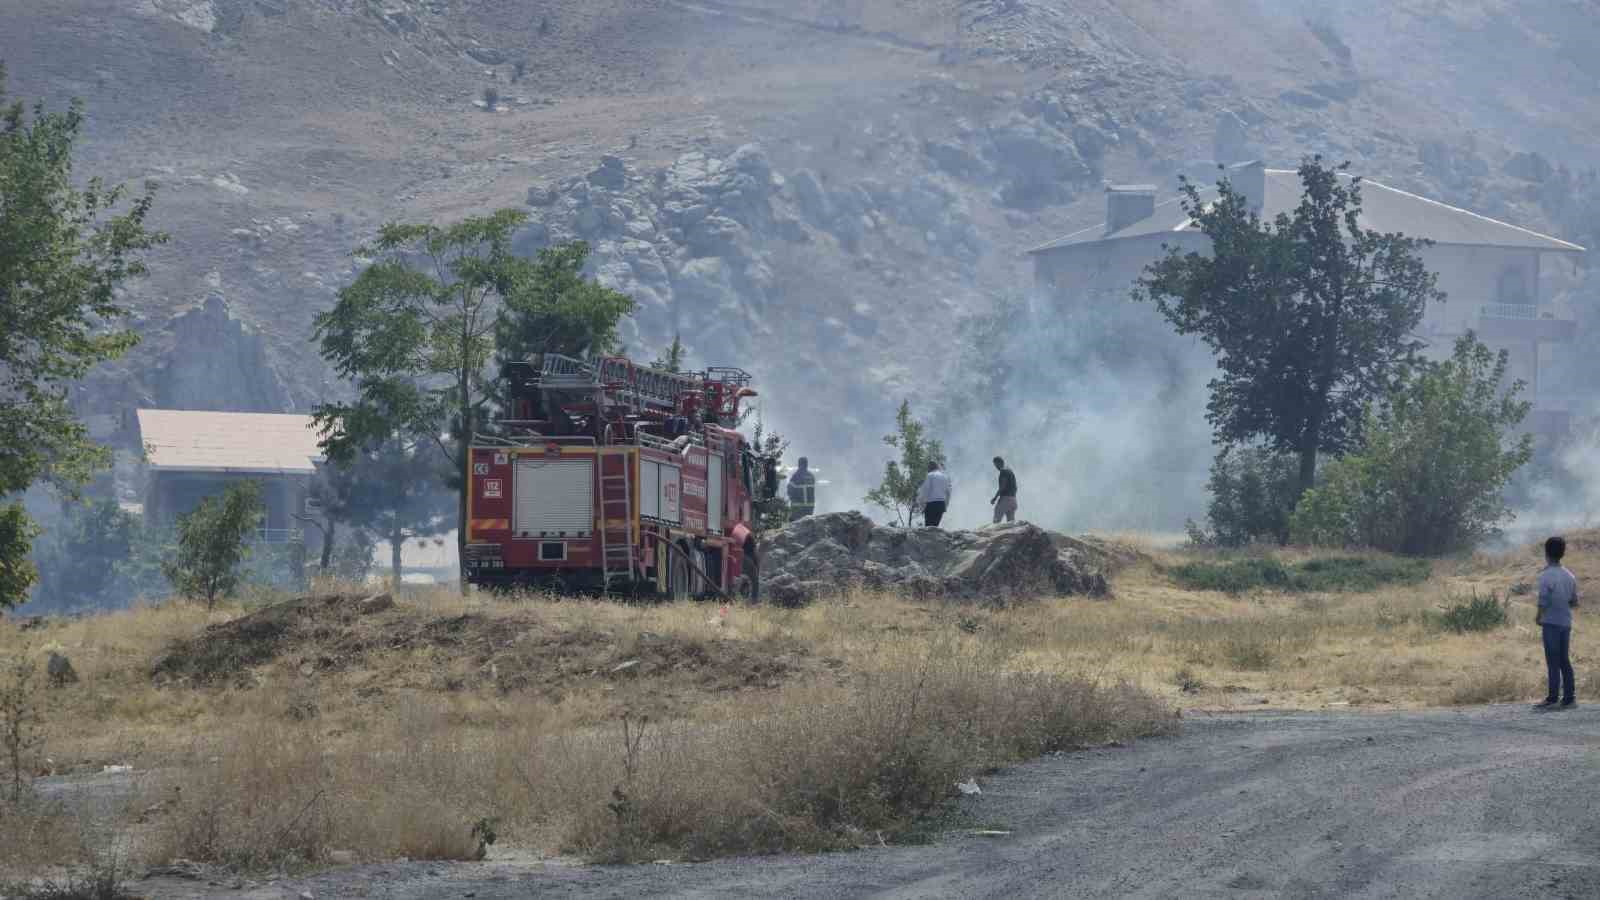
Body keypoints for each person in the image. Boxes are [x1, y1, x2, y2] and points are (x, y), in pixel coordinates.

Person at [1535, 535, 1579, 710]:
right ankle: (1569, 697)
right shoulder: (1570, 576)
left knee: (1552, 660)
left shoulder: (1546, 575)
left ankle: (1553, 697)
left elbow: (1543, 600)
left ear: (1546, 553)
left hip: (1551, 622)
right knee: (1564, 660)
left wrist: (1539, 616)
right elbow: (1574, 602)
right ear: (1563, 553)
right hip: (1565, 622)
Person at [915, 459, 952, 528]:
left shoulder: (930, 475)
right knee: (935, 527)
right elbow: (948, 493)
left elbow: (924, 491)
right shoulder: (945, 476)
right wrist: (945, 506)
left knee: (928, 528)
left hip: (932, 505)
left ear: (929, 468)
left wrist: (920, 503)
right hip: (941, 505)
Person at [787, 456, 817, 521]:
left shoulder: (796, 475)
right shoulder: (811, 476)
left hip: (798, 508)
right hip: (809, 507)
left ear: (799, 464)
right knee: (807, 525)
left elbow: (789, 490)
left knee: (795, 526)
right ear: (806, 464)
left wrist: (792, 499)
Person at [990, 456, 1018, 524]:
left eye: (995, 465)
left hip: (1005, 500)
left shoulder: (1003, 471)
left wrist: (995, 498)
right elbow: (1015, 487)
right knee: (1010, 524)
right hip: (1013, 500)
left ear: (998, 463)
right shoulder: (1010, 471)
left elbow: (1002, 486)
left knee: (995, 523)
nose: (996, 467)